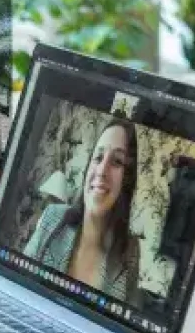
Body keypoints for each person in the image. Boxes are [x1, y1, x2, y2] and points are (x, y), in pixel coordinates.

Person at [24, 118, 142, 301]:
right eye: (98, 157)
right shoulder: (52, 216)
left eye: (117, 161)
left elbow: (125, 320)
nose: (102, 170)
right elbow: (17, 282)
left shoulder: (130, 251)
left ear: (127, 180)